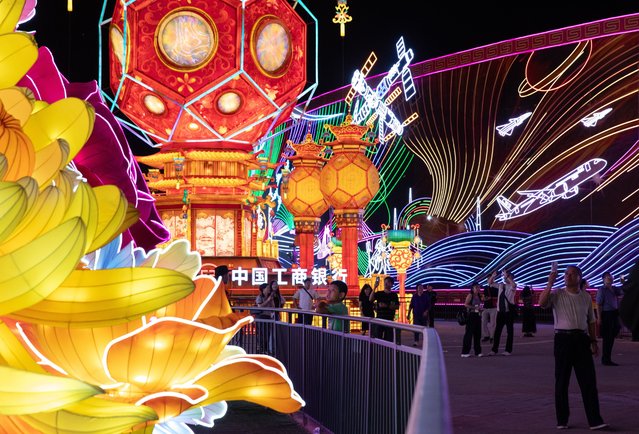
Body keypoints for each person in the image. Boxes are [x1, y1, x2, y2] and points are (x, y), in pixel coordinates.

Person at [539, 262, 607, 431]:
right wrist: (549, 282)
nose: (567, 276)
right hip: (563, 339)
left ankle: (595, 420)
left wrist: (593, 342)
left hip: (582, 340)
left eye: (571, 274)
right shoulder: (557, 294)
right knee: (562, 381)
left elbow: (591, 321)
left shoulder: (585, 296)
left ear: (579, 277)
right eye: (566, 273)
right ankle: (562, 419)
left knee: (588, 381)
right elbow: (542, 303)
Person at [596, 271, 623, 366]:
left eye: (611, 276)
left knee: (612, 336)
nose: (610, 278)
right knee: (607, 338)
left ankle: (607, 358)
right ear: (603, 279)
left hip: (614, 314)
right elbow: (598, 305)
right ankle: (606, 359)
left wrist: (622, 282)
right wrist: (599, 318)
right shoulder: (602, 290)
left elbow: (622, 293)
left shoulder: (615, 289)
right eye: (607, 277)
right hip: (606, 315)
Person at [489, 269, 516, 356]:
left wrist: (507, 276)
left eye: (508, 277)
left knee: (509, 331)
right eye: (505, 277)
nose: (506, 278)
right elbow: (490, 283)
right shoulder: (501, 285)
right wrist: (493, 276)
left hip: (508, 312)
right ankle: (494, 350)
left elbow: (513, 284)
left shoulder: (512, 286)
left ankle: (508, 350)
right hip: (500, 312)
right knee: (497, 331)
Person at [369, 276, 399, 342]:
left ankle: (387, 352)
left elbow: (397, 306)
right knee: (378, 338)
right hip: (380, 318)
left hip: (389, 319)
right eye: (385, 282)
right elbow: (370, 299)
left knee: (388, 339)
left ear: (391, 284)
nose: (385, 284)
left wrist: (386, 306)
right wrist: (374, 287)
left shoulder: (394, 295)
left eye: (388, 282)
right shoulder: (379, 293)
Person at [461, 282, 483, 358]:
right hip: (471, 316)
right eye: (476, 287)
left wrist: (480, 309)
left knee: (478, 334)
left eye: (479, 287)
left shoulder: (479, 296)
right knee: (469, 334)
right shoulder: (470, 295)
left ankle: (478, 352)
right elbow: (465, 304)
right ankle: (465, 352)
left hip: (478, 315)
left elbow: (479, 305)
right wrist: (474, 308)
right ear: (472, 288)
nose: (478, 289)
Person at [481, 271, 499, 343]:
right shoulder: (486, 288)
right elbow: (483, 297)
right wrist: (484, 298)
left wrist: (490, 298)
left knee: (493, 323)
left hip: (493, 307)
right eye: (488, 279)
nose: (489, 280)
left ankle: (492, 337)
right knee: (483, 322)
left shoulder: (496, 287)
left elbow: (498, 297)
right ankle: (486, 335)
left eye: (490, 278)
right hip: (486, 307)